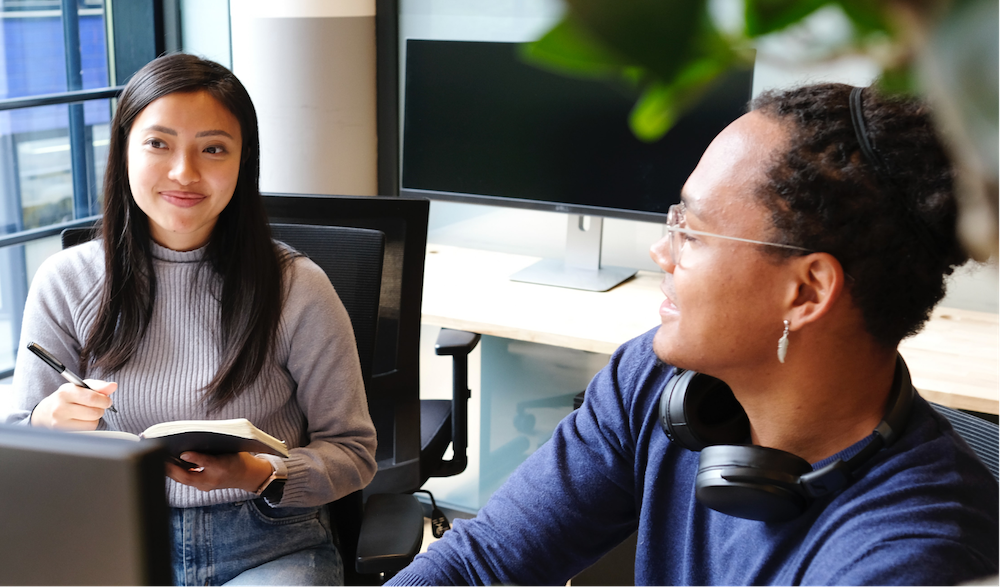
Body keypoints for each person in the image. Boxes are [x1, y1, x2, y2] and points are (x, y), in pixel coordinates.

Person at [384, 83, 1000, 587]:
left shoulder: (911, 558)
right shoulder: (656, 384)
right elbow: (481, 562)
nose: (661, 250)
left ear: (808, 291)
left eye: (694, 231)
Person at [3, 54, 377, 586]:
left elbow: (354, 452)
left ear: (243, 162)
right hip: (111, 535)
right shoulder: (66, 281)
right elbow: (17, 446)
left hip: (268, 543)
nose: (184, 172)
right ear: (124, 152)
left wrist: (259, 473)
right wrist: (47, 424)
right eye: (158, 143)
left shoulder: (298, 286)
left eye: (213, 148)